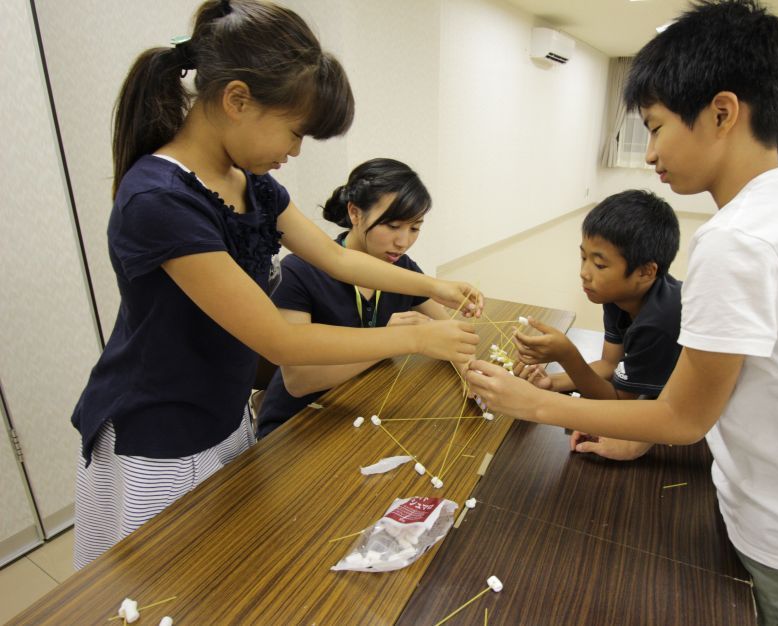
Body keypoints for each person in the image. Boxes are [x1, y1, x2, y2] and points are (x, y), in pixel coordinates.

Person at [467, 1, 778, 624]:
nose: (649, 154)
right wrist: (636, 435)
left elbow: (682, 416)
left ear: (722, 113)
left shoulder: (741, 240)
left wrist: (530, 403)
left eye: (655, 126)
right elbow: (705, 399)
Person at [70, 0, 482, 569]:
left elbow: (338, 261)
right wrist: (413, 338)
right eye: (294, 133)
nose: (294, 151)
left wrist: (436, 289)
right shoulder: (160, 200)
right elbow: (279, 342)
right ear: (237, 100)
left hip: (221, 409)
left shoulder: (253, 183)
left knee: (220, 569)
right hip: (160, 430)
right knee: (165, 578)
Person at [256, 158, 457, 438]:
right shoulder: (299, 271)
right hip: (299, 425)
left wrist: (469, 369)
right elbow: (299, 380)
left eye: (414, 228)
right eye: (393, 225)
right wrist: (392, 341)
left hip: (365, 409)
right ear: (355, 213)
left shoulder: (402, 267)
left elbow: (447, 329)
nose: (403, 241)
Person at [513, 190, 682, 461]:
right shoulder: (617, 295)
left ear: (646, 272)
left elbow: (617, 404)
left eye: (600, 264)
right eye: (583, 257)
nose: (584, 272)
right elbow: (609, 364)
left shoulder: (659, 322)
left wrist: (566, 354)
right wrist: (552, 382)